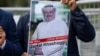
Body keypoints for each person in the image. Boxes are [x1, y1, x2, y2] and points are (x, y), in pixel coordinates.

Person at [17, 0, 95, 56]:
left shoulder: (69, 16)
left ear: (54, 12)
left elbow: (88, 36)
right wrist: (22, 53)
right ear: (43, 13)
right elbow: (18, 45)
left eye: (50, 12)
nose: (48, 14)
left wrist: (76, 11)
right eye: (46, 12)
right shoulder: (25, 19)